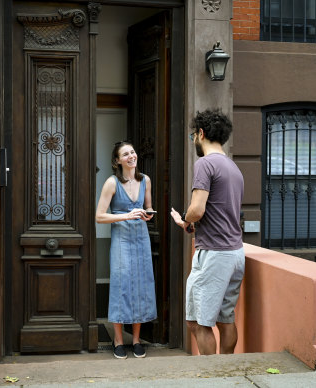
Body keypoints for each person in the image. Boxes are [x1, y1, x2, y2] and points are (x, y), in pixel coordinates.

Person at [170, 108, 245, 355]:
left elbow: (197, 210)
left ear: (200, 133)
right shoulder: (234, 168)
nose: (194, 139)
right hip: (235, 253)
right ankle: (226, 372)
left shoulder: (205, 163)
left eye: (193, 134)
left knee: (197, 322)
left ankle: (212, 377)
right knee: (225, 318)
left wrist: (185, 218)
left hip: (213, 254)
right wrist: (192, 223)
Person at [96, 141, 157, 359]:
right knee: (121, 286)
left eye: (132, 151)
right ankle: (118, 339)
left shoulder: (145, 180)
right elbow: (99, 216)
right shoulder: (111, 183)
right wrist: (127, 215)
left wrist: (148, 213)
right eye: (126, 154)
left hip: (141, 238)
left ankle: (137, 339)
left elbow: (148, 206)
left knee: (141, 285)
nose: (131, 156)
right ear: (117, 161)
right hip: (121, 240)